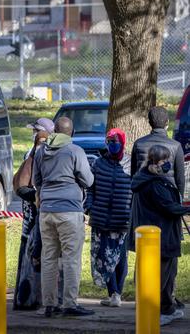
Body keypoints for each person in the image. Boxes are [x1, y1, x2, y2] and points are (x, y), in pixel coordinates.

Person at [32, 117, 94, 317]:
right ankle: (69, 304)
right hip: (69, 210)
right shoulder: (75, 151)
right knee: (71, 258)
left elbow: (36, 180)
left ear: (54, 131)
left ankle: (49, 305)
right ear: (71, 133)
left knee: (48, 257)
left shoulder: (41, 151)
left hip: (47, 210)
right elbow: (88, 180)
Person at [130, 145, 189, 326]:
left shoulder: (146, 178)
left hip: (158, 234)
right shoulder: (154, 184)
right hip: (160, 236)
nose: (167, 165)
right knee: (162, 277)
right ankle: (154, 313)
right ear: (155, 163)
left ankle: (167, 307)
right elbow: (169, 207)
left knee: (168, 275)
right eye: (164, 162)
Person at [85, 128, 131, 308]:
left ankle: (117, 293)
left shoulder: (130, 164)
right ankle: (112, 293)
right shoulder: (99, 164)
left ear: (123, 142)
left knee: (120, 257)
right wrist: (89, 207)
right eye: (110, 142)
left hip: (122, 220)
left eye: (116, 141)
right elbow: (90, 188)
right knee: (104, 256)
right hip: (101, 219)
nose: (113, 145)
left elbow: (135, 190)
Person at [12, 118, 53, 310]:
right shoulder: (31, 153)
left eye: (36, 131)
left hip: (41, 217)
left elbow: (23, 185)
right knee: (28, 257)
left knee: (40, 256)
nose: (33, 134)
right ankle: (26, 298)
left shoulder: (47, 154)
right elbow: (17, 183)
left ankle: (39, 299)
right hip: (29, 218)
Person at [131, 106, 184, 194]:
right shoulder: (176, 146)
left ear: (149, 123)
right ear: (167, 122)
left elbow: (133, 174)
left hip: (143, 197)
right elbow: (180, 179)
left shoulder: (138, 144)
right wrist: (179, 198)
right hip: (168, 196)